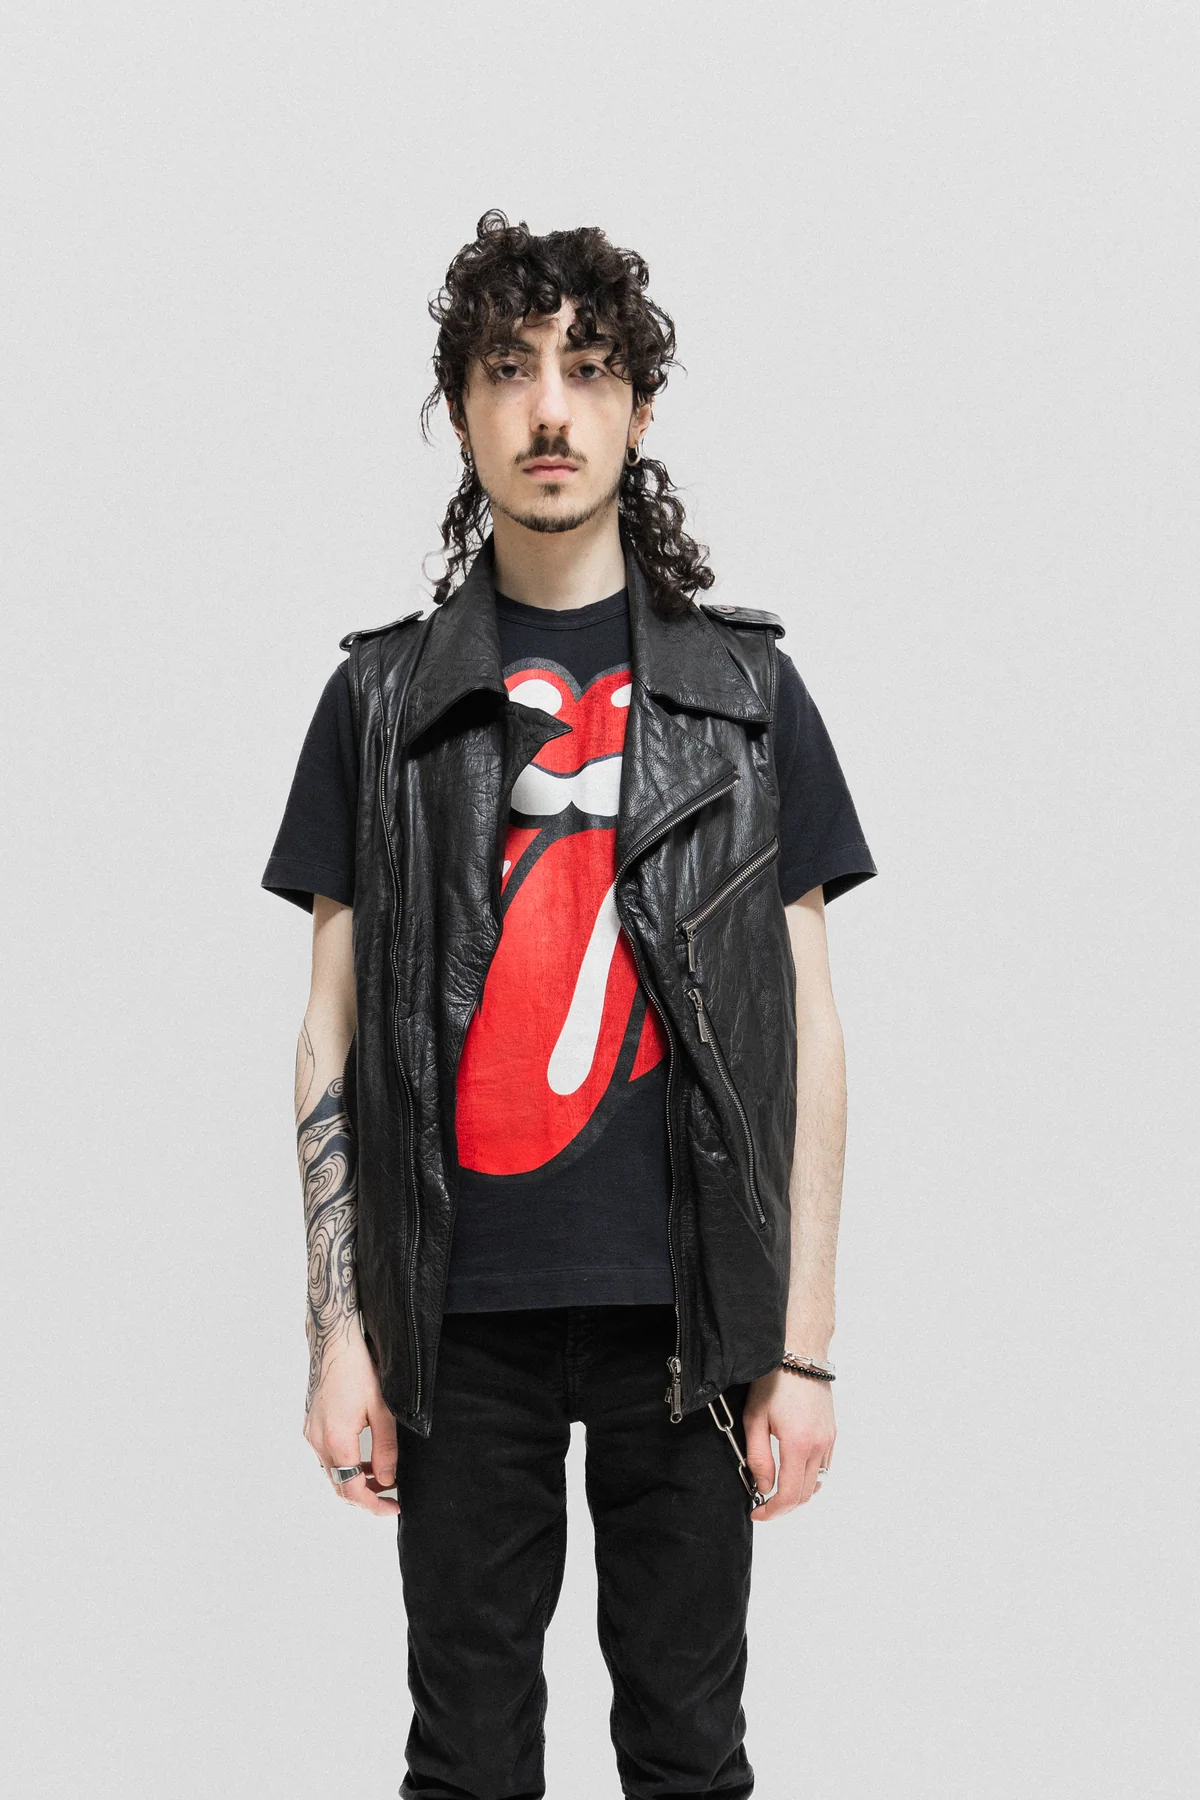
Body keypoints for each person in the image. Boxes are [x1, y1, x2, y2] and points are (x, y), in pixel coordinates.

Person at [261, 210, 877, 1800]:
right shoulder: (380, 701)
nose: (549, 408)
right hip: (458, 1313)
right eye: (509, 369)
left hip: (690, 1309)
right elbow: (330, 1029)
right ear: (461, 412)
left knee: (688, 1754)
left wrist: (801, 1349)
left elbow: (809, 1032)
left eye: (588, 371)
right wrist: (339, 1332)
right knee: (467, 1763)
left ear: (637, 412)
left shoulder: (747, 697)